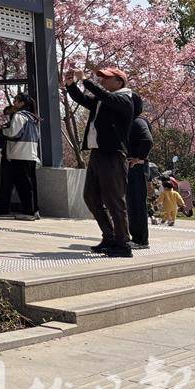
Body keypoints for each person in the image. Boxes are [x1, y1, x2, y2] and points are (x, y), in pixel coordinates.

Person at [66, 66, 135, 257]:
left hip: (113, 154)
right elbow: (83, 99)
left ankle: (123, 244)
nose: (102, 80)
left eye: (106, 78)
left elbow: (105, 97)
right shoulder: (104, 100)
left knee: (114, 200)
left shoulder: (124, 99)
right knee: (91, 197)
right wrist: (71, 85)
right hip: (97, 153)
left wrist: (85, 80)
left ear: (119, 82)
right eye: (101, 77)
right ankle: (110, 237)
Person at [0, 94, 40, 220]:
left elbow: (14, 134)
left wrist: (4, 129)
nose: (13, 102)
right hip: (31, 154)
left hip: (19, 154)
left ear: (22, 103)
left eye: (16, 101)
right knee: (30, 185)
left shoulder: (19, 116)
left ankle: (28, 212)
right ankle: (34, 211)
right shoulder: (32, 117)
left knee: (23, 186)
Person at [126, 94, 153, 248]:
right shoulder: (134, 121)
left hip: (137, 168)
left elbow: (147, 140)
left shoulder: (138, 121)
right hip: (134, 168)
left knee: (137, 204)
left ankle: (141, 240)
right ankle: (136, 238)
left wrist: (139, 158)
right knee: (132, 203)